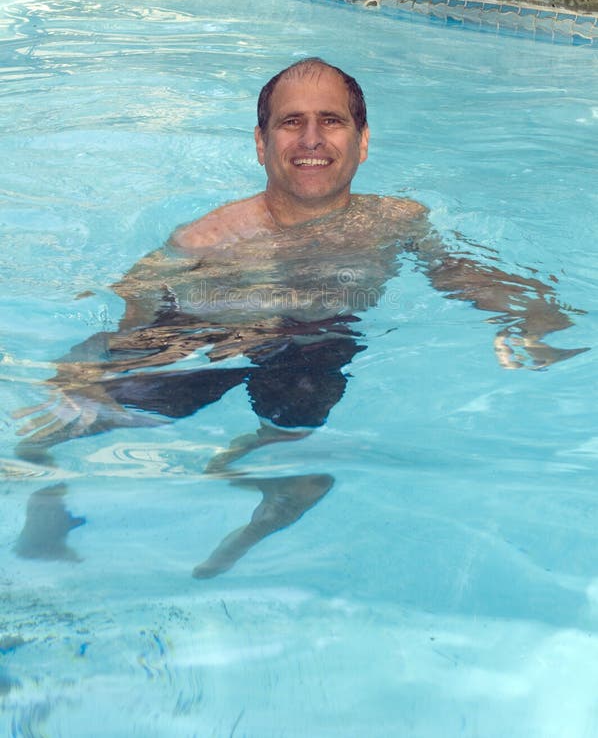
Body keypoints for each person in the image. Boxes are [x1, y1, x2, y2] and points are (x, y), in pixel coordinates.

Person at [13, 57, 586, 578]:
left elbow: (456, 271)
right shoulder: (207, 239)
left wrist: (532, 312)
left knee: (312, 353)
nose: (311, 139)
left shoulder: (397, 220)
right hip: (204, 334)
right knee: (76, 419)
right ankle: (45, 493)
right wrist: (92, 369)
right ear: (261, 144)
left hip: (311, 343)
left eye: (331, 121)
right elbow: (134, 301)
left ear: (363, 142)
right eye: (291, 123)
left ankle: (284, 474)